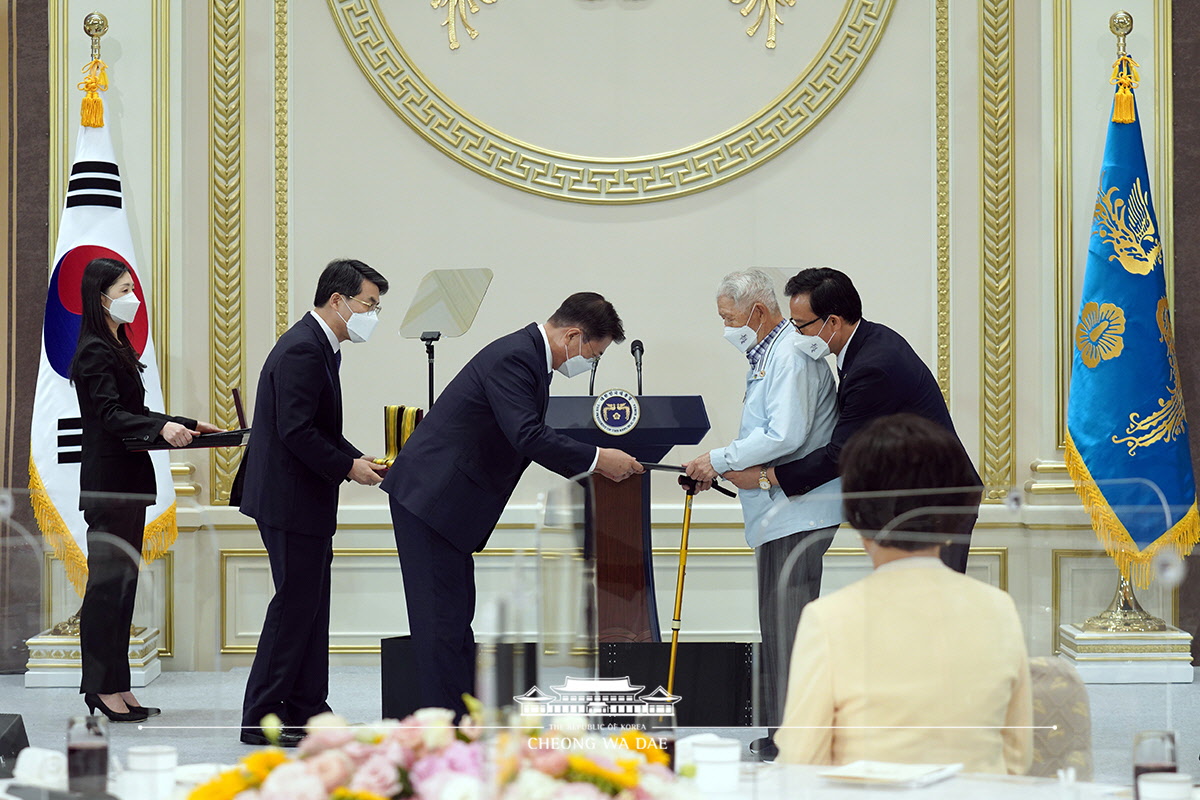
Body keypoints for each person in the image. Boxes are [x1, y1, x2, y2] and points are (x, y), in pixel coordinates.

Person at [381, 292, 646, 716]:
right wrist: (598, 459)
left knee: (451, 621)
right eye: (592, 355)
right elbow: (527, 435)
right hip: (431, 500)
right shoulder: (516, 358)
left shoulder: (529, 359)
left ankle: (460, 718)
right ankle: (444, 730)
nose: (588, 364)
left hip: (447, 506)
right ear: (573, 335)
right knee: (440, 625)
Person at [776, 413, 1031, 774]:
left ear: (857, 511)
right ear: (952, 514)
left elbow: (801, 763)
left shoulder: (829, 619)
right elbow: (1017, 756)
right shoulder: (999, 608)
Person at [722, 267, 980, 573]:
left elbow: (841, 454)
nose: (795, 333)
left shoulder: (873, 367)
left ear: (832, 322)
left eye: (801, 325)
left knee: (928, 608)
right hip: (912, 499)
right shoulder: (867, 344)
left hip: (933, 502)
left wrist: (765, 476)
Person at [681, 269, 840, 762]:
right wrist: (725, 461)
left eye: (730, 318)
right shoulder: (770, 352)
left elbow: (785, 434)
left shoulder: (790, 352)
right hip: (784, 511)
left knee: (788, 626)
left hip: (800, 509)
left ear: (756, 312)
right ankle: (784, 732)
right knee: (778, 625)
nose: (727, 328)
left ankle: (797, 740)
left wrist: (719, 459)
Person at [238, 258, 389, 746]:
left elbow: (318, 429)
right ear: (339, 300)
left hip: (303, 497)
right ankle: (261, 716)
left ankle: (306, 707)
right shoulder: (304, 349)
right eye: (369, 304)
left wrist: (352, 455)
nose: (373, 315)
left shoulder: (321, 346)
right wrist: (348, 468)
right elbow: (296, 430)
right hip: (289, 499)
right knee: (294, 607)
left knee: (310, 607)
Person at [71, 257, 220, 722]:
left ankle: (119, 685)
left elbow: (134, 412)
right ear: (101, 298)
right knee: (106, 589)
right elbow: (112, 417)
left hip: (130, 485)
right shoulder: (94, 351)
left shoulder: (117, 347)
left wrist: (188, 423)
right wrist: (168, 428)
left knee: (123, 588)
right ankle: (98, 687)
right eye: (123, 289)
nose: (132, 296)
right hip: (110, 486)